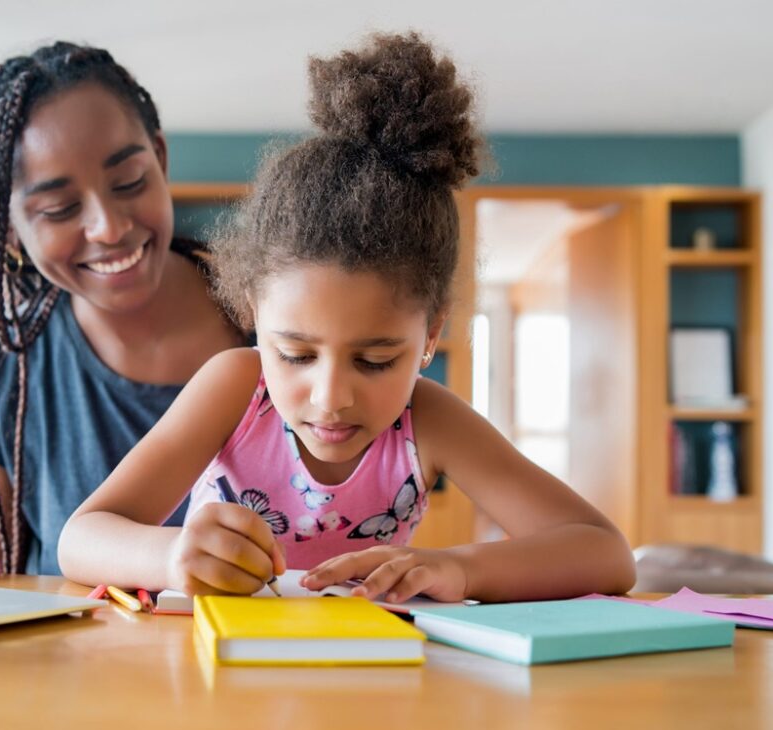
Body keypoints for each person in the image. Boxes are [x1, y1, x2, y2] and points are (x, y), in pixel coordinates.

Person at [62, 31, 636, 604]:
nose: (331, 397)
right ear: (255, 314)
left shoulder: (429, 421)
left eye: (376, 360)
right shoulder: (235, 389)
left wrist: (458, 568)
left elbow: (605, 554)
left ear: (431, 334)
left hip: (369, 660)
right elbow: (82, 538)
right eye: (296, 355)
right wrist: (169, 556)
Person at [0, 41, 246, 578]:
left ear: (160, 160)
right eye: (59, 208)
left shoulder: (284, 331)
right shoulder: (4, 373)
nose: (109, 227)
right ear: (10, 231)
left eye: (129, 181)